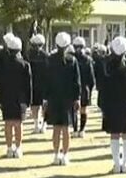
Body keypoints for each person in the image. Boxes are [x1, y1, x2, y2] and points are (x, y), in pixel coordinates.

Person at [99, 36, 126, 173]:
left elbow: (102, 89)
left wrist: (102, 106)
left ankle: (117, 165)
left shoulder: (106, 67)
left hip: (111, 106)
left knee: (114, 135)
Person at [44, 32, 82, 165]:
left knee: (56, 128)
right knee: (66, 129)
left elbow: (46, 81)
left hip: (53, 98)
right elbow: (77, 81)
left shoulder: (50, 59)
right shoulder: (72, 60)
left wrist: (45, 99)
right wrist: (77, 98)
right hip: (68, 98)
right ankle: (65, 155)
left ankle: (56, 155)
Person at [0, 34, 32, 158]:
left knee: (8, 123)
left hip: (6, 97)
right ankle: (18, 148)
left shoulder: (1, 65)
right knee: (18, 124)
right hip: (20, 99)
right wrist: (28, 101)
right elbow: (28, 86)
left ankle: (9, 148)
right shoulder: (25, 65)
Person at [72, 36, 95, 139]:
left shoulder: (71, 58)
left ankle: (75, 130)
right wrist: (90, 88)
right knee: (83, 109)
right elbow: (91, 77)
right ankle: (82, 130)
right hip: (85, 87)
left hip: (73, 87)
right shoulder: (88, 59)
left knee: (74, 109)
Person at [25, 34, 49, 134]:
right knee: (44, 105)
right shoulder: (46, 56)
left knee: (34, 105)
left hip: (33, 84)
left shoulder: (28, 55)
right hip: (44, 84)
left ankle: (36, 125)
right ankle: (44, 125)